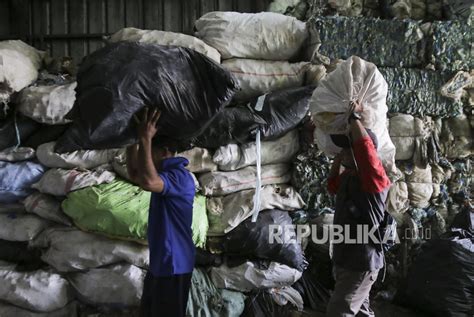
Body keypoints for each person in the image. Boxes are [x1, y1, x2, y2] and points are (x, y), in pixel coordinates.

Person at [126, 108, 196, 317]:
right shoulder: (164, 176)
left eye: (150, 152)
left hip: (174, 264)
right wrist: (133, 142)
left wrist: (145, 139)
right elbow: (136, 174)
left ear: (164, 151)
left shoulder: (179, 176)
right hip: (162, 263)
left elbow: (147, 180)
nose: (145, 158)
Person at [325, 102, 391, 317]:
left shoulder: (375, 180)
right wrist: (339, 156)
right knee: (359, 310)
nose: (345, 152)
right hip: (347, 257)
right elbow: (332, 185)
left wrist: (354, 118)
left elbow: (365, 151)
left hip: (361, 260)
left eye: (349, 147)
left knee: (339, 311)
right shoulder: (349, 177)